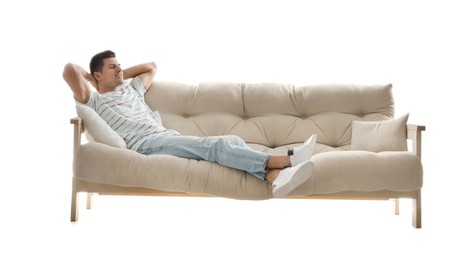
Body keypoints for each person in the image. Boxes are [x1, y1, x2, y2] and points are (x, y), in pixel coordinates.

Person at [63, 50, 317, 198]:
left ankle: (274, 178)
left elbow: (151, 66)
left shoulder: (132, 90)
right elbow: (68, 70)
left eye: (120, 65)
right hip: (144, 145)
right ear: (97, 75)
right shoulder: (94, 100)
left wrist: (119, 74)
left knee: (232, 142)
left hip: (163, 137)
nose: (119, 70)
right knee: (217, 146)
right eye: (112, 67)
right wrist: (92, 80)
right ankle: (286, 160)